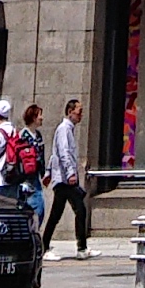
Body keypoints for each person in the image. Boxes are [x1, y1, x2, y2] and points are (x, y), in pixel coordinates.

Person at [46, 96, 92, 256]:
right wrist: (71, 173)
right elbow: (63, 153)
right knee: (79, 209)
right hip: (65, 179)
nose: (81, 115)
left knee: (59, 213)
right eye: (79, 112)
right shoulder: (64, 129)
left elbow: (57, 155)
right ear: (70, 112)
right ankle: (81, 248)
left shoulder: (67, 129)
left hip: (64, 179)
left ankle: (80, 247)